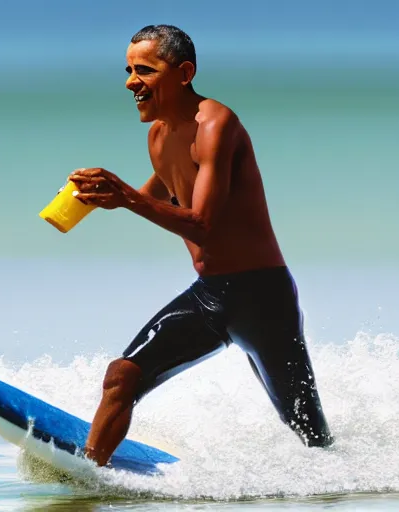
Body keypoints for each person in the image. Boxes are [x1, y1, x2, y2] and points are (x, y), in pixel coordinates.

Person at [67, 24, 333, 467]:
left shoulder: (216, 124)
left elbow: (203, 224)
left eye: (145, 70)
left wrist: (126, 197)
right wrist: (104, 198)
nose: (132, 81)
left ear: (184, 72)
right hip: (209, 295)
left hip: (262, 298)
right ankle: (88, 476)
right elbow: (158, 192)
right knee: (122, 377)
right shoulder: (157, 134)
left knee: (308, 430)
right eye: (129, 70)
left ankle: (343, 490)